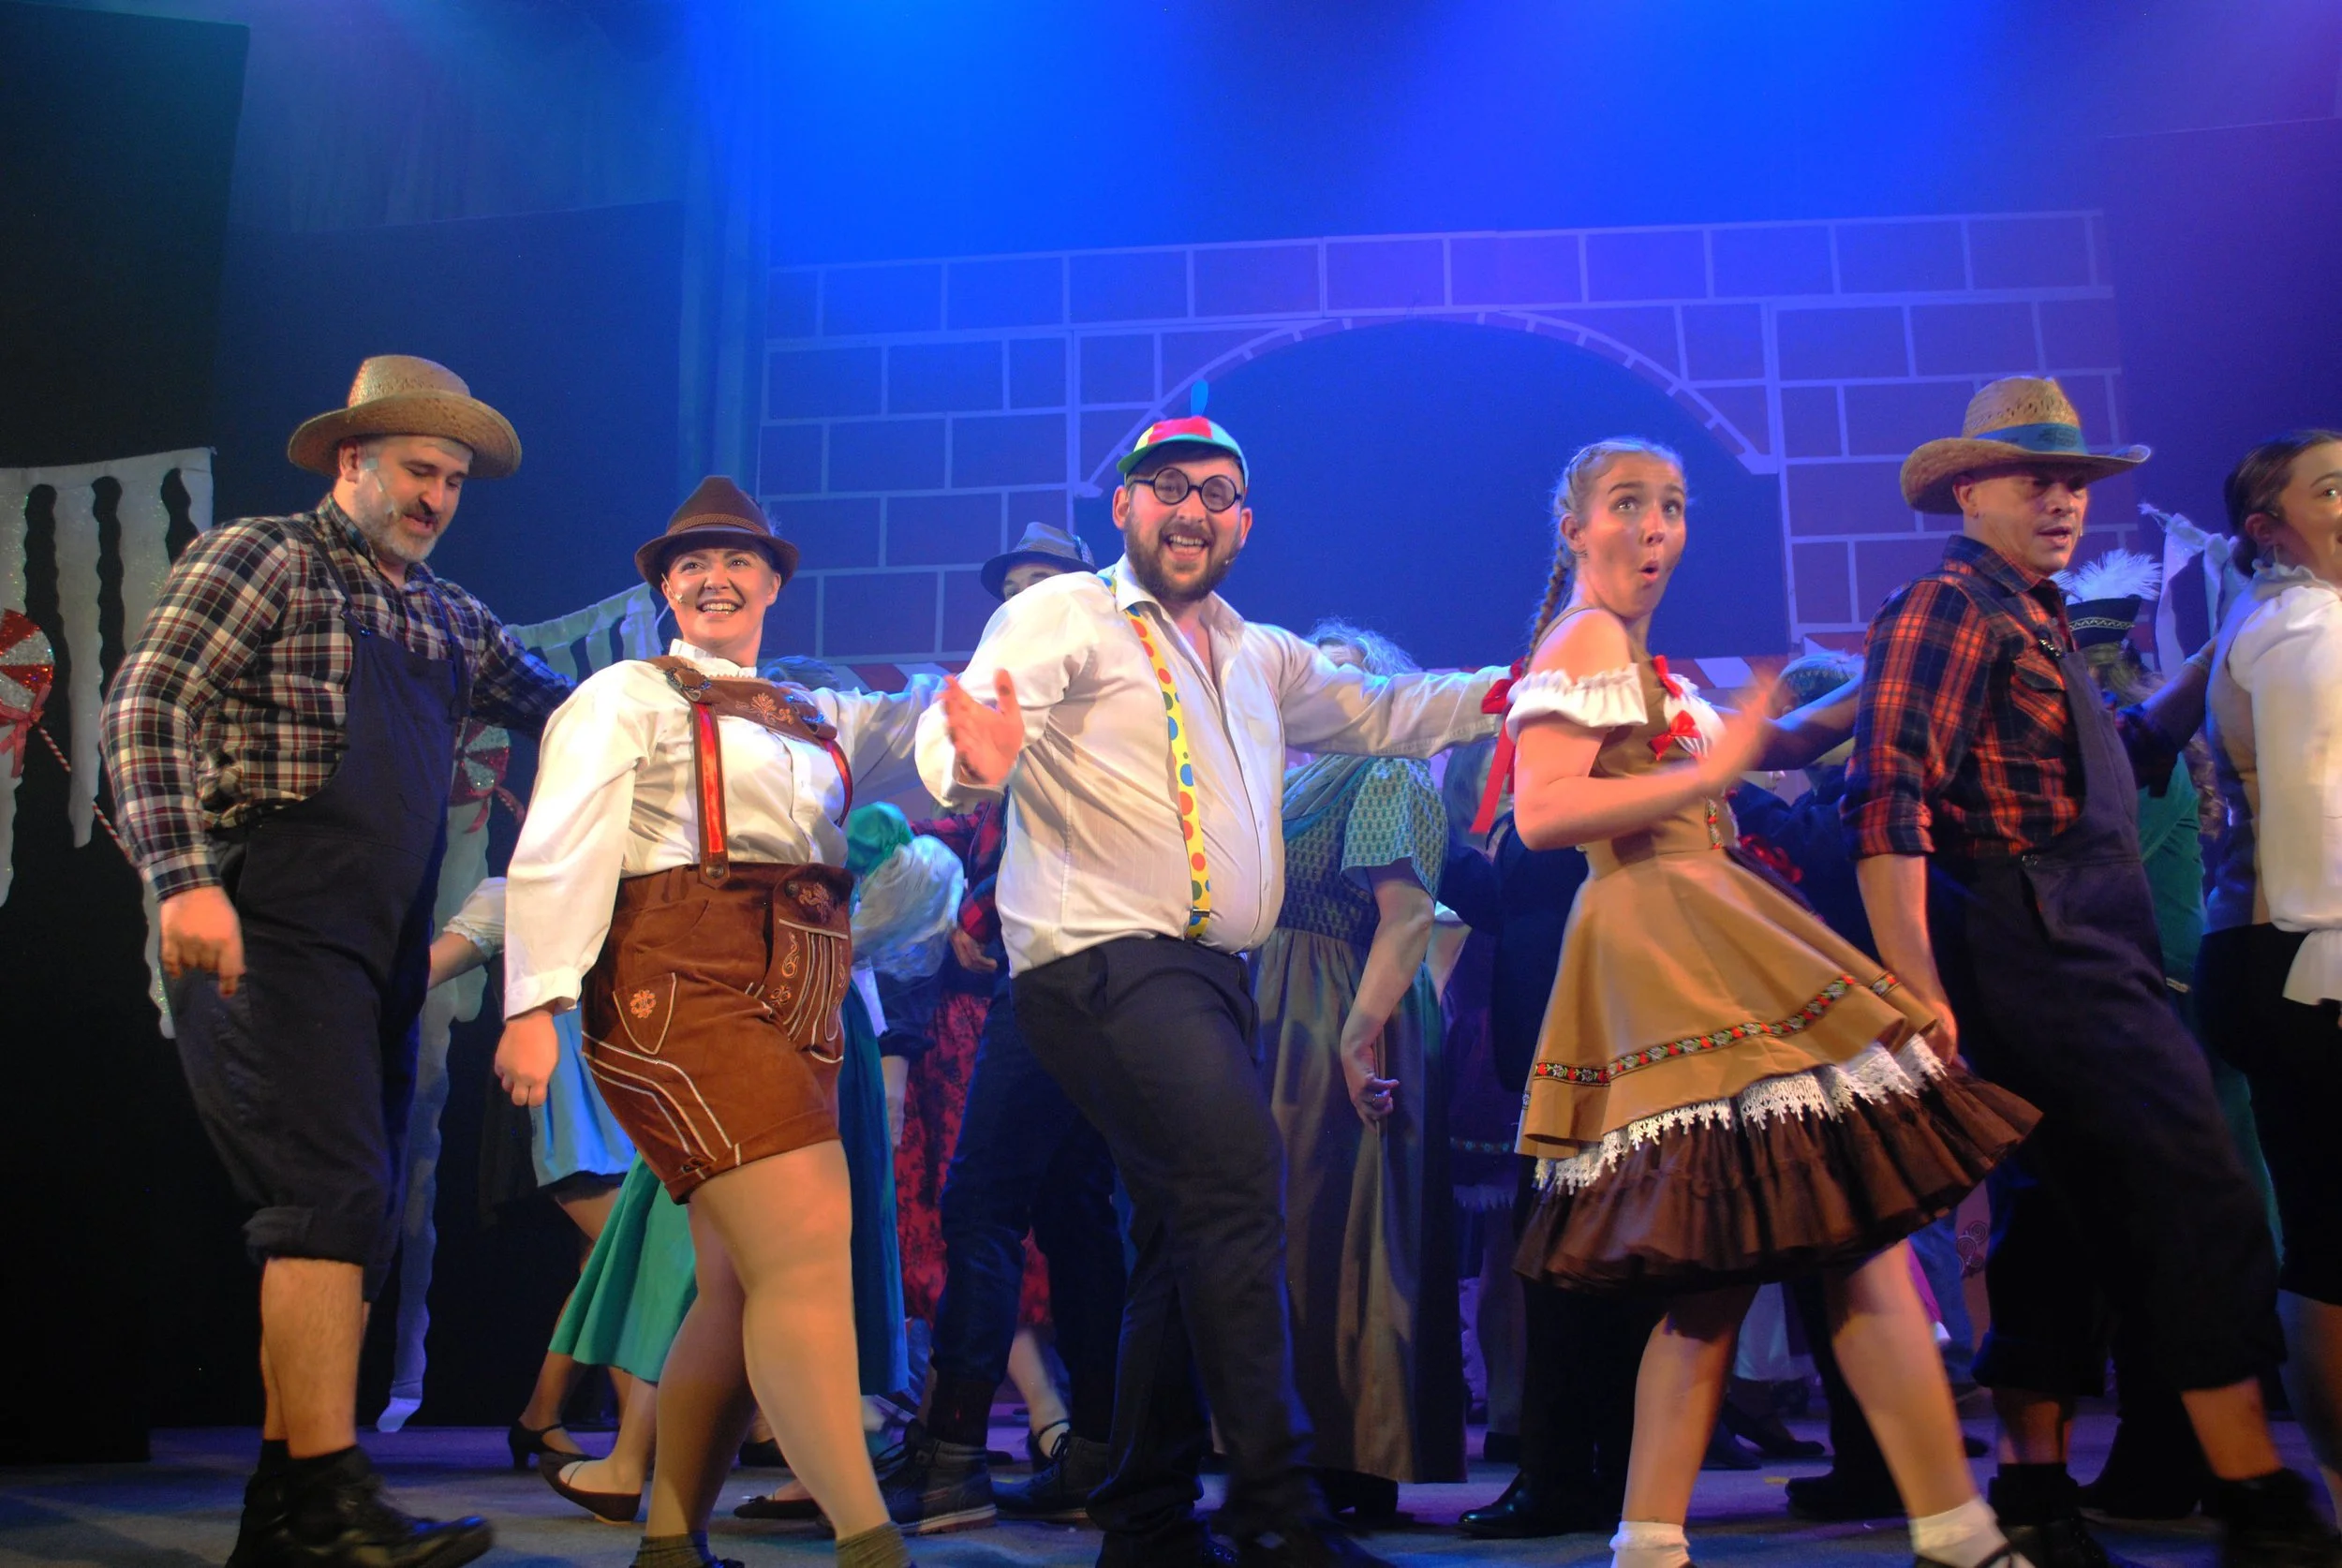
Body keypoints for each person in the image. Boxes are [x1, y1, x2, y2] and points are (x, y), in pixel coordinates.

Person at [914, 411, 1507, 1568]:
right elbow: (978, 719)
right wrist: (974, 762)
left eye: (1217, 493)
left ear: (1244, 521)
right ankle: (1275, 1509)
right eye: (1167, 487)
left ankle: (1143, 1521)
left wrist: (1517, 691)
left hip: (1208, 977)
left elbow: (1384, 711)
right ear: (1125, 507)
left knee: (1180, 1238)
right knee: (1237, 1189)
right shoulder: (1065, 614)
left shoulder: (1259, 651)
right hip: (1104, 964)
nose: (1192, 509)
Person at [1504, 436, 2037, 1568]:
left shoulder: (1642, 660)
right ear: (1576, 527)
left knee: (1745, 1260)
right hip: (1666, 943)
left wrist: (1880, 677)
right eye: (1628, 505)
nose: (1655, 527)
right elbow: (1544, 812)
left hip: (1708, 931)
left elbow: (1780, 743)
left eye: (1674, 507)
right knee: (1825, 1241)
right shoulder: (1586, 637)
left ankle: (1664, 1542)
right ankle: (1954, 1529)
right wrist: (1710, 768)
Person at [1847, 377, 2339, 1568]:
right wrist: (1918, 986)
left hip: (2081, 931)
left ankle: (2033, 1492)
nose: (2064, 500)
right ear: (1970, 489)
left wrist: (2218, 646)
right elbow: (1887, 800)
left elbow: (2121, 756)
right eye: (2037, 479)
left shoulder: (2037, 614)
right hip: (2033, 937)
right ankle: (2254, 1496)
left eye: (2075, 482)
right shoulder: (1948, 606)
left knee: (2058, 1215)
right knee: (2197, 1183)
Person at [102, 354, 567, 1568]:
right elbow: (144, 707)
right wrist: (183, 878)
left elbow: (570, 711)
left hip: (376, 947)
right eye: (420, 469)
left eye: (456, 480)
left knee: (341, 1213)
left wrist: (706, 699)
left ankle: (284, 1510)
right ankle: (327, 1498)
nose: (438, 497)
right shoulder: (263, 556)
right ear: (353, 461)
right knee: (330, 1196)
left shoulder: (449, 616)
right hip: (267, 915)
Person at [494, 476, 937, 1568]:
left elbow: (936, 742)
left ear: (774, 583)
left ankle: (670, 1540)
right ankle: (870, 1542)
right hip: (680, 986)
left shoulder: (807, 714)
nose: (714, 578)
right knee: (804, 1247)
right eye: (689, 564)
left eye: (739, 560)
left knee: (739, 1278)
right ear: (664, 591)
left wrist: (991, 716)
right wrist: (534, 1006)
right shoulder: (625, 697)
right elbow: (558, 846)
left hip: (798, 998)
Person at [882, 519, 1130, 1535]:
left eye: (1047, 588)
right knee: (1076, 1213)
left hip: (1065, 975)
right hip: (1052, 983)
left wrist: (975, 915)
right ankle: (1100, 1456)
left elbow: (1057, 839)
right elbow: (966, 826)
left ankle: (947, 1456)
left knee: (981, 1203)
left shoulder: (1084, 708)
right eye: (1014, 590)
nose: (1026, 606)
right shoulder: (1002, 700)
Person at [1252, 618, 1465, 1519]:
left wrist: (1356, 1033)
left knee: (1351, 1225)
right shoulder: (1285, 777)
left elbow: (1406, 914)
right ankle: (1297, 1447)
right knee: (1297, 1226)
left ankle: (1359, 1456)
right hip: (1279, 1003)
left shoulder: (1384, 766)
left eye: (1343, 678)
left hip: (1339, 998)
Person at [2198, 430, 2342, 1525]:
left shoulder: (2281, 618)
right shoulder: (2305, 625)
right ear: (2268, 523)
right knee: (2331, 1233)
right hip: (2307, 952)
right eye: (2331, 487)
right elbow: (2312, 822)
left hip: (2283, 949)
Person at [422, 876, 640, 1468]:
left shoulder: (636, 892)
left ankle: (541, 1418)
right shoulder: (511, 893)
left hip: (620, 1102)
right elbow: (427, 969)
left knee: (601, 1268)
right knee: (631, 1258)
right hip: (556, 1106)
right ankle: (643, 1438)